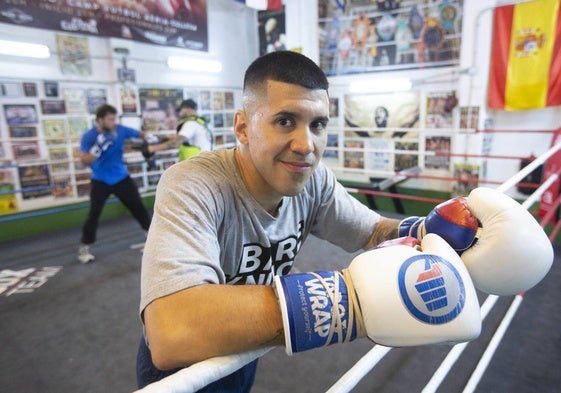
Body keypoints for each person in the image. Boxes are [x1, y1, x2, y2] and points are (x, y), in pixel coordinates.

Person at [136, 51, 552, 392]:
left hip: (245, 347)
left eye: (318, 125)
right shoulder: (193, 183)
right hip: (180, 374)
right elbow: (172, 330)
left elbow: (372, 231)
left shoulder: (313, 181)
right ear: (243, 127)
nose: (306, 145)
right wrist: (348, 304)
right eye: (285, 121)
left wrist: (431, 231)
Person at [77, 104, 174, 264]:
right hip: (100, 179)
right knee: (94, 214)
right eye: (110, 119)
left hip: (121, 177)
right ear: (100, 120)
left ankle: (154, 241)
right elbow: (84, 160)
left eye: (114, 118)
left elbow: (140, 134)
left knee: (138, 207)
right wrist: (97, 148)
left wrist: (149, 137)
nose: (113, 122)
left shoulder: (120, 130)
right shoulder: (89, 136)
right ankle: (84, 247)